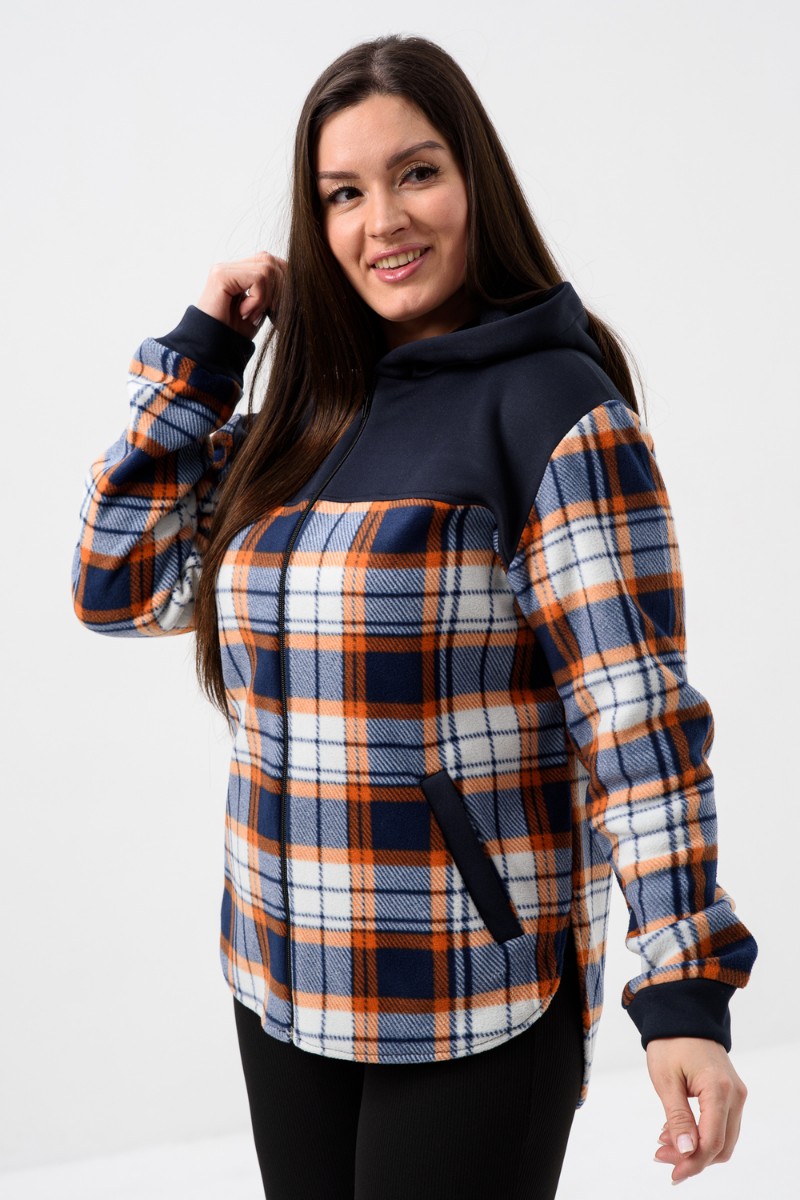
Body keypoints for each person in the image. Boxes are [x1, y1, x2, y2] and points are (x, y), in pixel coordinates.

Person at [70, 33, 758, 1200]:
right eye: (342, 193)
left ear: (473, 180)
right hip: (282, 973)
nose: (381, 220)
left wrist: (681, 990)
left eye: (415, 173)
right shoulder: (306, 417)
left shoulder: (553, 407)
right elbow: (117, 582)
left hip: (466, 987)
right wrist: (204, 354)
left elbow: (633, 719)